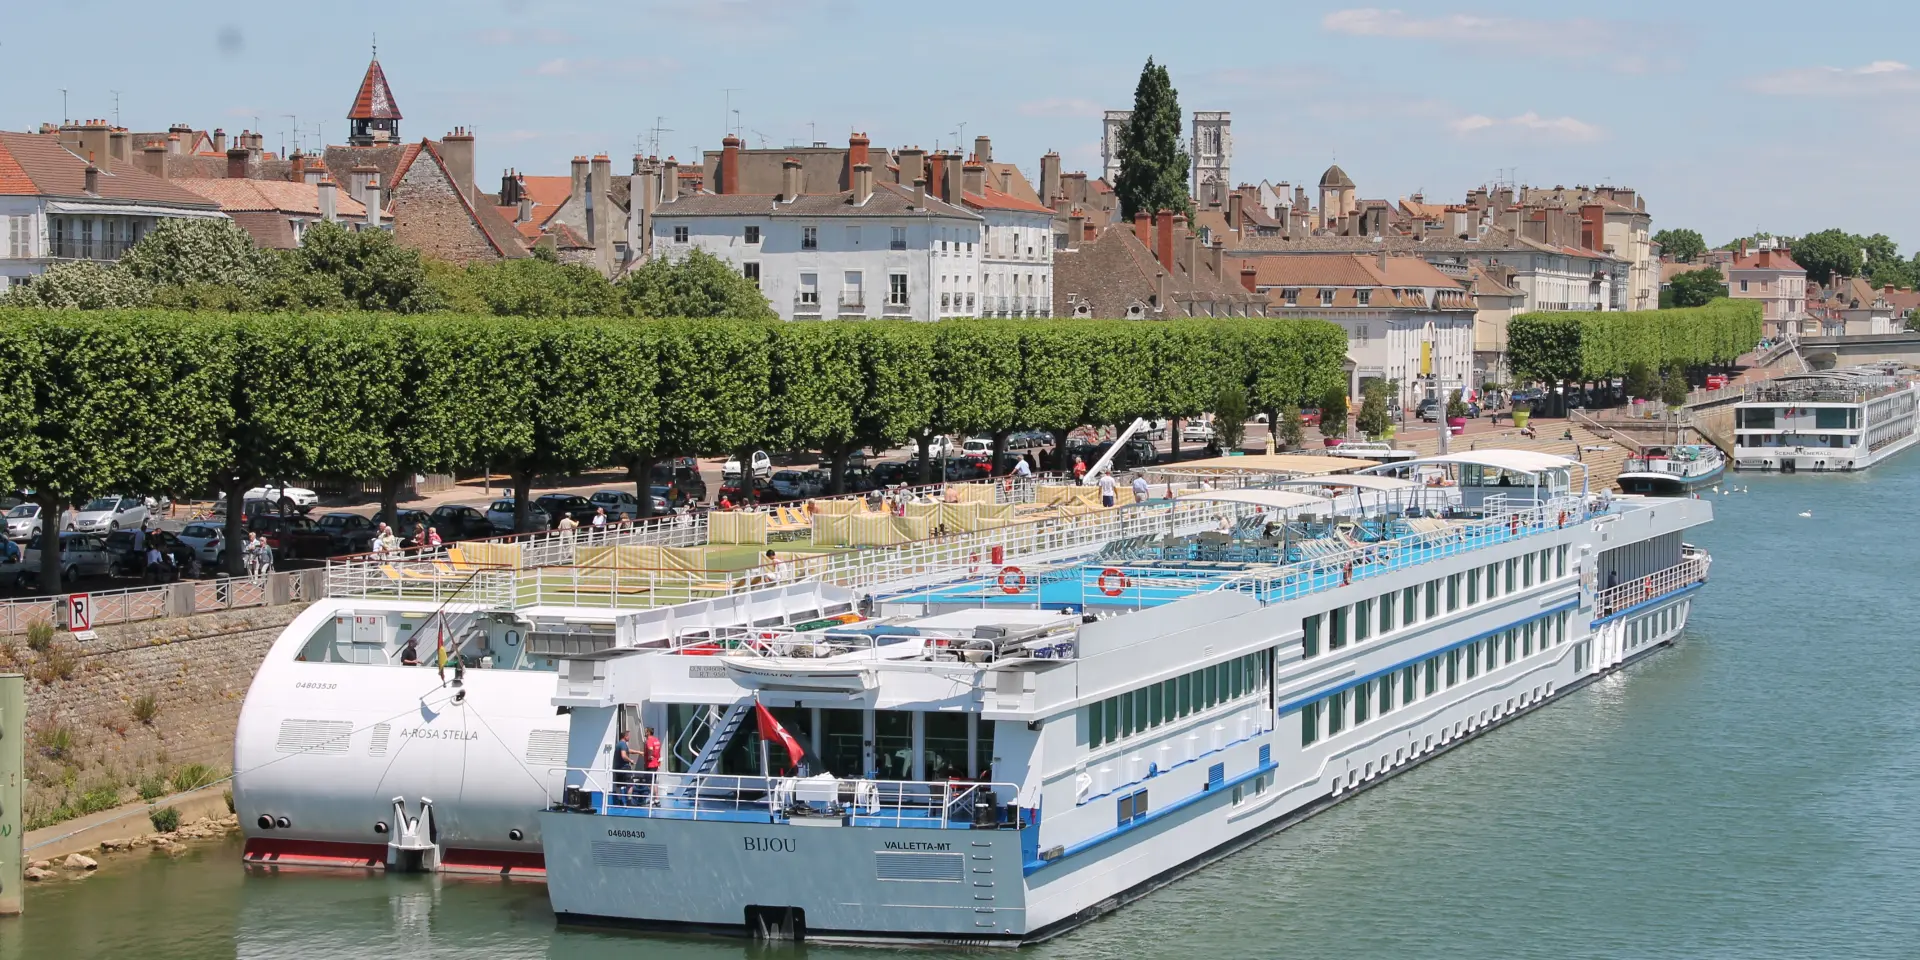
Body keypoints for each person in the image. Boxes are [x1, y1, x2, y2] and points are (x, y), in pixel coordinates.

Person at [613, 729, 638, 800]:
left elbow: (628, 750)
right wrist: (631, 760)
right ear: (625, 736)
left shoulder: (619, 744)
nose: (629, 737)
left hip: (617, 768)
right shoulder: (623, 744)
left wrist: (639, 752)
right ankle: (629, 800)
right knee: (630, 784)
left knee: (618, 785)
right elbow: (624, 756)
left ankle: (620, 801)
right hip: (624, 768)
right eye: (628, 736)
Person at [641, 726, 662, 803]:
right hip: (656, 763)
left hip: (650, 764)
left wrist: (649, 755)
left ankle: (652, 799)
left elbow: (650, 749)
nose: (644, 733)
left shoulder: (649, 740)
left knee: (650, 783)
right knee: (654, 782)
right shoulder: (656, 740)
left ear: (648, 732)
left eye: (645, 731)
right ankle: (657, 799)